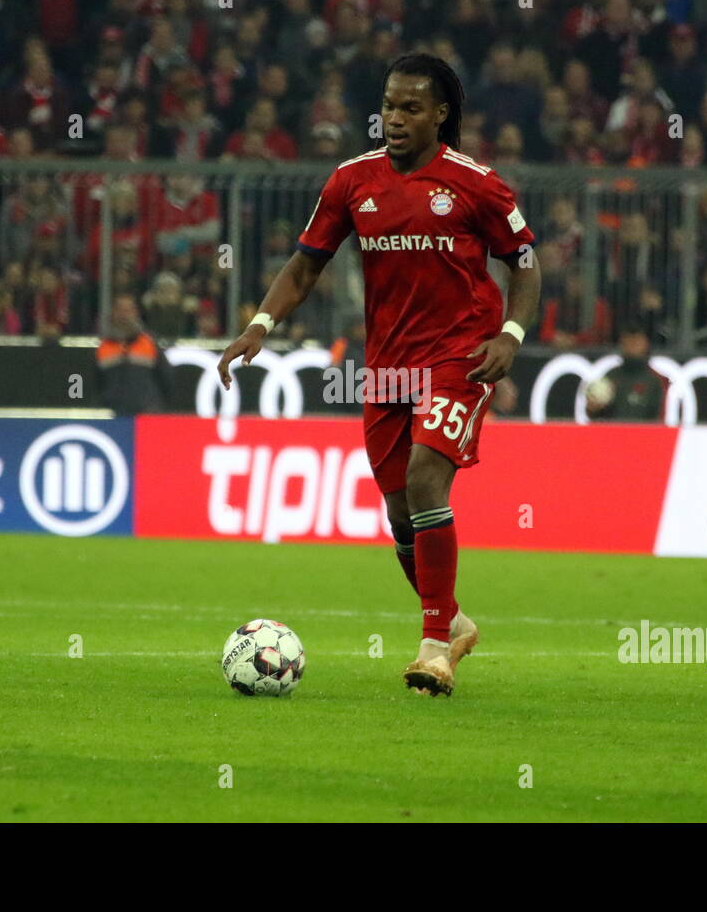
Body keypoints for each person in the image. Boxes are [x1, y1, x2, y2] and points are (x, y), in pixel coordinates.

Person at [218, 53, 541, 697]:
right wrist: (260, 324)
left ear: (440, 115)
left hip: (459, 359)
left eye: (411, 108)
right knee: (400, 517)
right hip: (387, 368)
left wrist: (510, 334)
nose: (394, 119)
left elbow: (525, 265)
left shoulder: (477, 184)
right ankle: (452, 621)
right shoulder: (350, 182)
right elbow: (306, 265)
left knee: (426, 479)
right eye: (389, 105)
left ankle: (433, 646)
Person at [97, 295, 173, 415]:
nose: (124, 315)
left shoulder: (149, 343)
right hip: (114, 416)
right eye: (120, 310)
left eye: (128, 310)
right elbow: (95, 383)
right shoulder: (103, 347)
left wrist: (156, 405)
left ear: (135, 313)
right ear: (113, 313)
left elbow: (166, 377)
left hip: (147, 415)